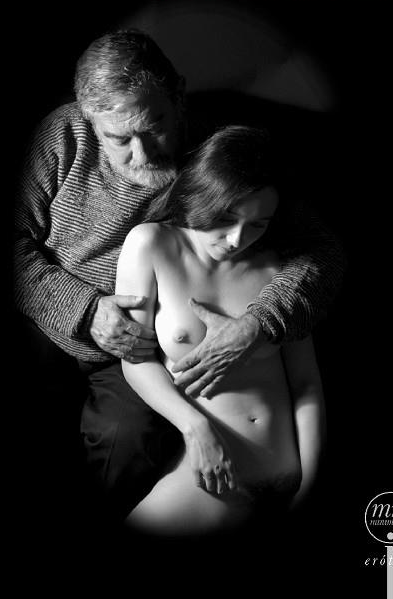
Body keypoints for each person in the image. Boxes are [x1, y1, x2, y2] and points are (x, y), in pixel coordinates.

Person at [14, 29, 344, 520]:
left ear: (179, 97)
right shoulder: (59, 137)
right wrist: (83, 309)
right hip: (49, 317)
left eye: (155, 127)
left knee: (126, 435)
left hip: (138, 344)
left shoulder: (214, 152)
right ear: (88, 119)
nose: (142, 154)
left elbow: (319, 251)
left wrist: (259, 322)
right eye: (119, 139)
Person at [117, 125, 326, 535]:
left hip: (290, 475)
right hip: (215, 479)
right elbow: (135, 360)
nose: (236, 239)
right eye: (227, 218)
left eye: (257, 224)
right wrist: (195, 429)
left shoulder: (280, 269)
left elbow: (306, 383)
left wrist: (310, 483)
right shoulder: (152, 245)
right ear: (202, 194)